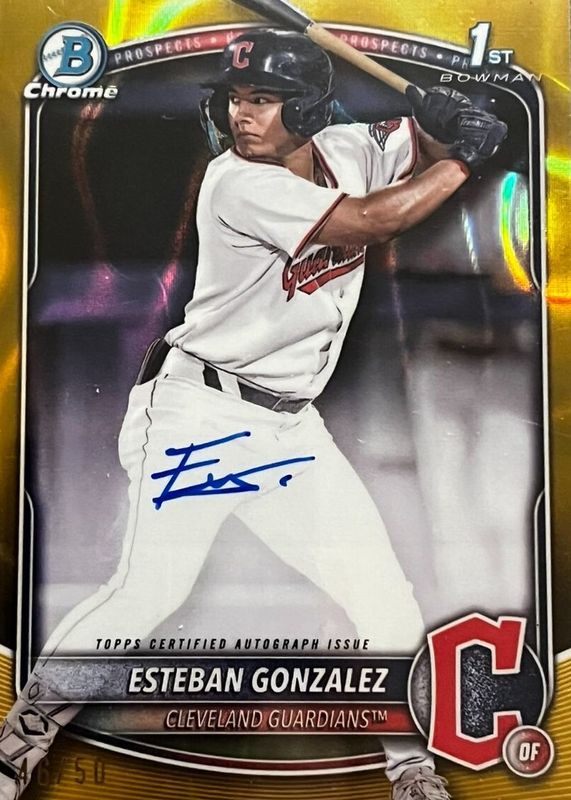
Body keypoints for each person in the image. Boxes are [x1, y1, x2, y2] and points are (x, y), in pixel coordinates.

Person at [0, 28, 507, 800]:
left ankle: (410, 771)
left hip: (288, 429)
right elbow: (371, 221)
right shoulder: (235, 183)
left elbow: (417, 144)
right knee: (149, 593)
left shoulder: (349, 149)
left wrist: (445, 122)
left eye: (262, 101)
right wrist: (463, 159)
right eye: (235, 99)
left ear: (305, 109)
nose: (241, 115)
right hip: (198, 413)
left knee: (381, 594)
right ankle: (17, 748)